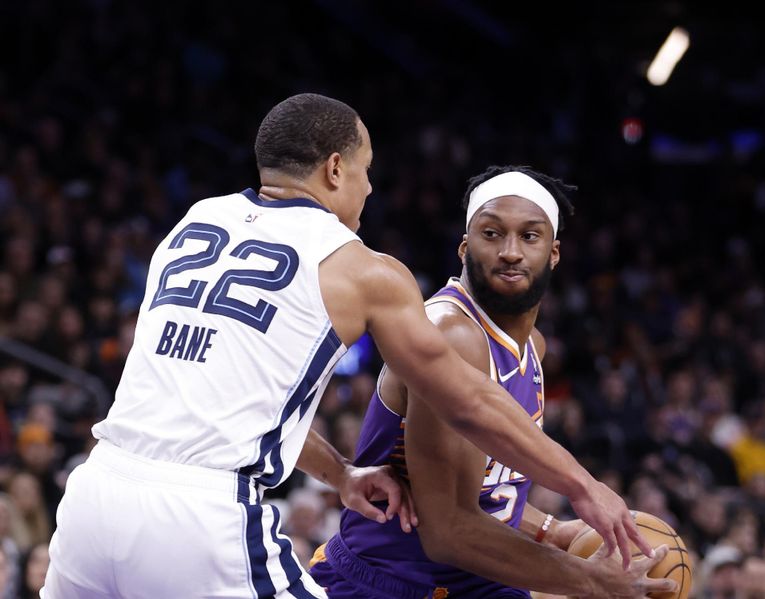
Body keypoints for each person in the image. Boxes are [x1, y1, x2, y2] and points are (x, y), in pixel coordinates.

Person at [43, 93, 660, 598]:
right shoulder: (362, 267)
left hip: (94, 497)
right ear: (336, 169)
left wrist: (338, 472)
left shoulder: (193, 223)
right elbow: (468, 402)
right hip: (200, 521)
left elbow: (214, 400)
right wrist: (583, 485)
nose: (368, 192)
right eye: (366, 172)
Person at [310, 166, 676, 598]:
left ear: (554, 253)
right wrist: (591, 580)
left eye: (530, 236)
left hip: (482, 581)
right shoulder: (452, 333)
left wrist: (551, 529)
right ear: (464, 248)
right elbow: (447, 530)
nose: (511, 252)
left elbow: (486, 492)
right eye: (491, 234)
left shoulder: (532, 348)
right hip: (394, 583)